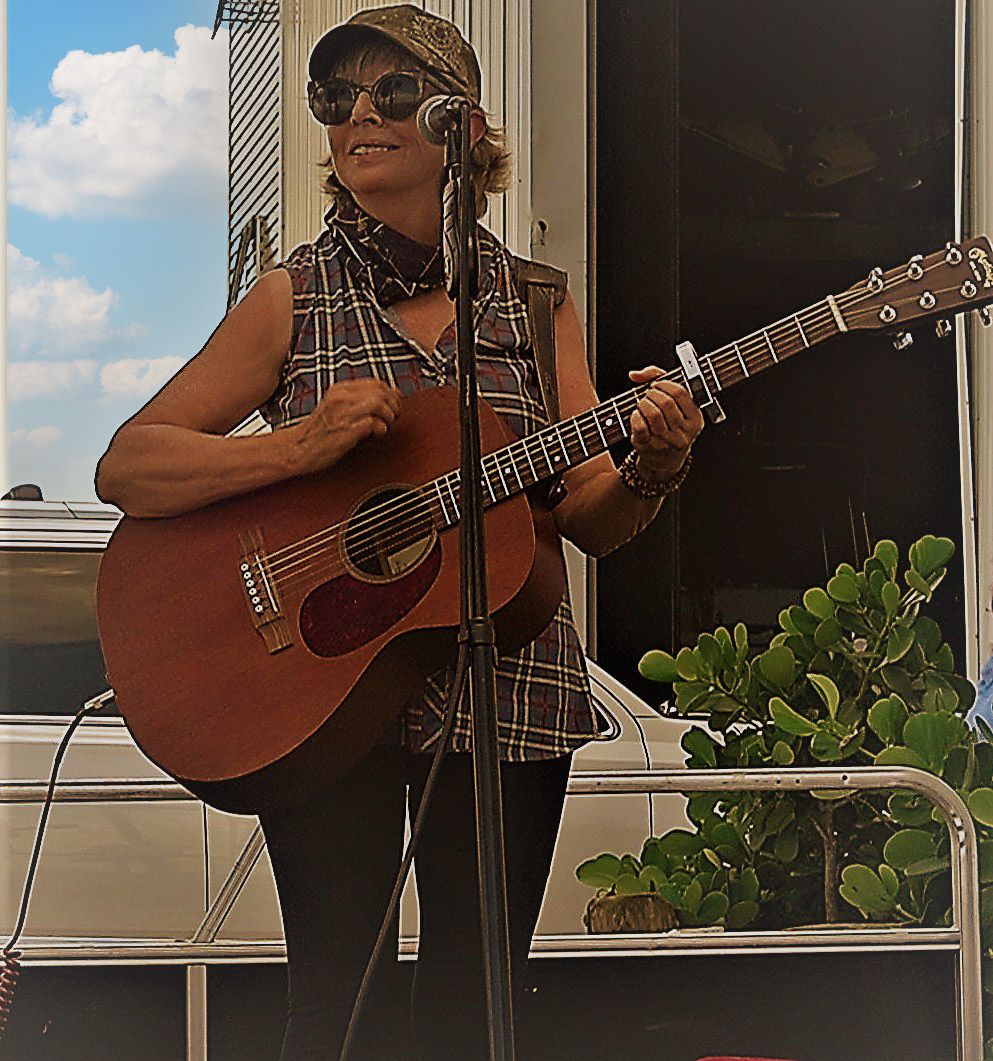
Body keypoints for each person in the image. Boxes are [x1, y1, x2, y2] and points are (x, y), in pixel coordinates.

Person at [95, 5, 704, 1057]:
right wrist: (299, 448)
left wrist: (654, 464)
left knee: (480, 1001)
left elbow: (586, 518)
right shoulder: (291, 296)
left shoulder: (532, 301)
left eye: (391, 92)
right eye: (336, 99)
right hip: (322, 687)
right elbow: (129, 465)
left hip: (508, 685)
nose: (358, 115)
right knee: (339, 1005)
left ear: (461, 125)